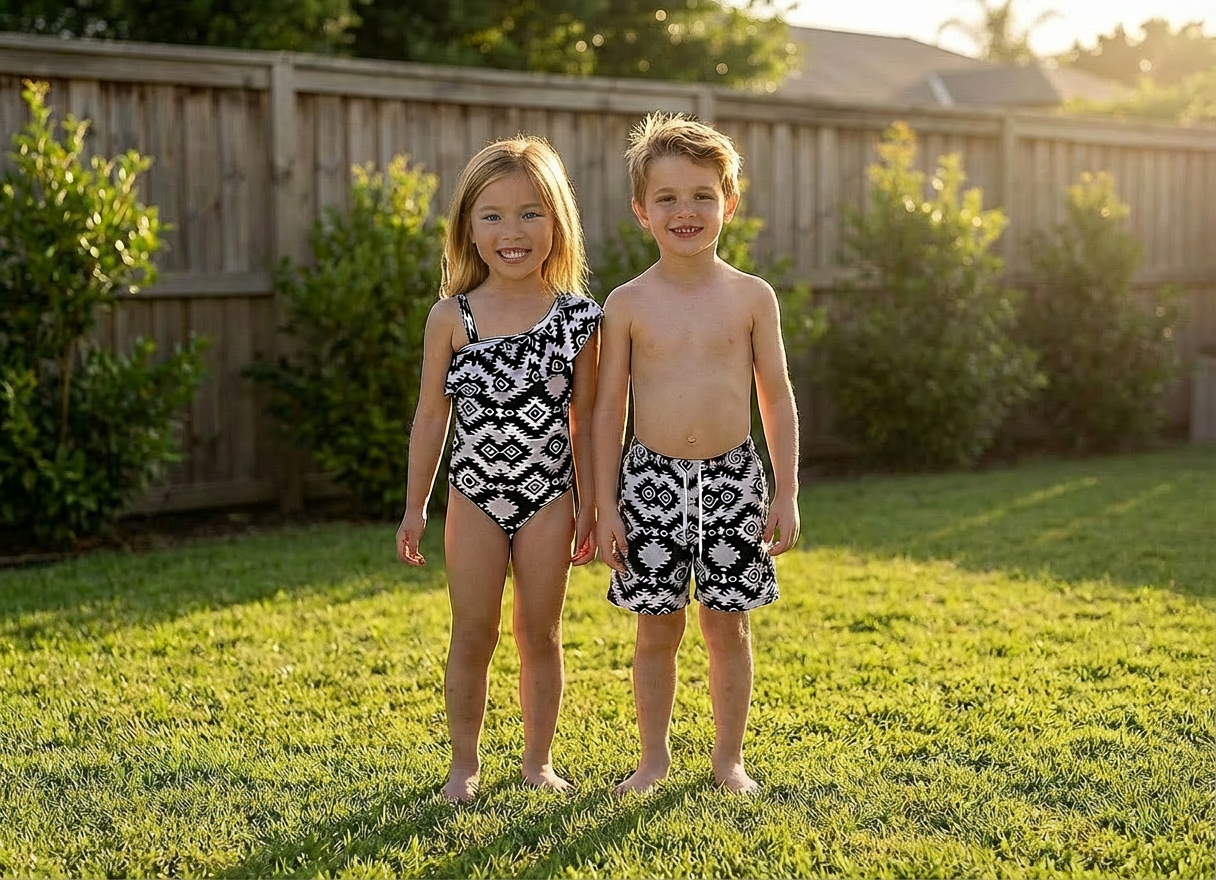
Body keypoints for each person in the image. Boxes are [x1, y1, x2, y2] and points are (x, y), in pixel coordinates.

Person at [592, 112, 800, 795]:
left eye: (702, 196)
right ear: (641, 212)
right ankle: (653, 760)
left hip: (734, 480)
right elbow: (606, 411)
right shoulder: (625, 305)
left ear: (729, 203)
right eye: (668, 199)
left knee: (727, 629)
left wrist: (785, 490)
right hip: (648, 484)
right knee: (656, 632)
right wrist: (604, 504)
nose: (686, 211)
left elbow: (776, 397)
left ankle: (728, 760)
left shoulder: (751, 297)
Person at [396, 135, 602, 802]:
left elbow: (589, 420)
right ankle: (464, 768)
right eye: (493, 215)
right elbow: (432, 417)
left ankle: (537, 763)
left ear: (558, 223)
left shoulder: (580, 320)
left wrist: (592, 503)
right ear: (468, 229)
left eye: (531, 213)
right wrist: (414, 505)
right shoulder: (450, 319)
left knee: (539, 633)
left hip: (548, 498)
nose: (513, 231)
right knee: (473, 631)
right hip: (473, 498)